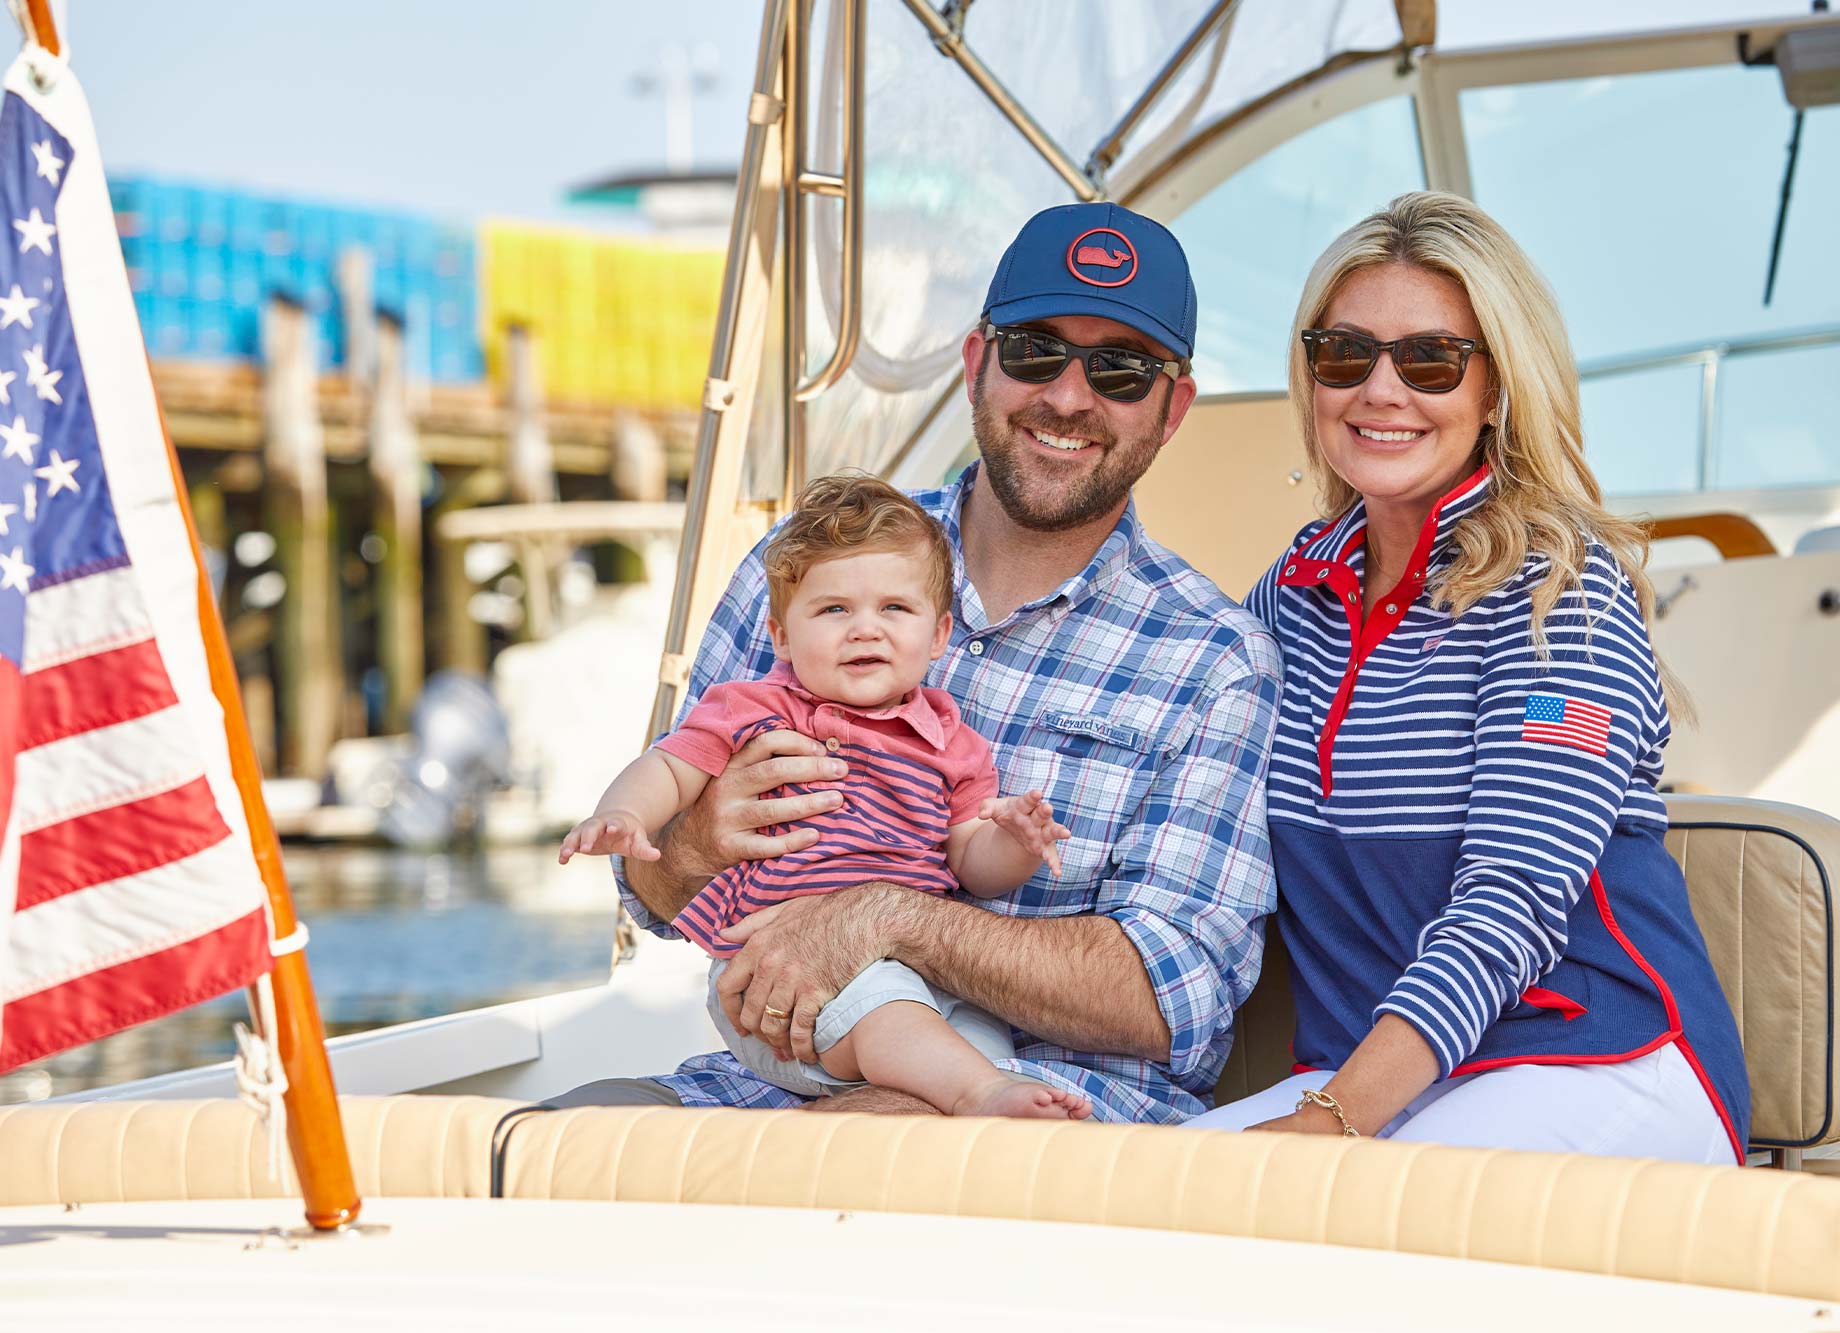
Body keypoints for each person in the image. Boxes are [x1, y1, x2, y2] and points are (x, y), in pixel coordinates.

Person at [547, 202, 1282, 1123]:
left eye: (1121, 369)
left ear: (1172, 409)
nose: (1066, 395)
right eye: (1034, 351)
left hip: (1061, 1109)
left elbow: (1174, 999)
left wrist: (886, 918)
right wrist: (696, 839)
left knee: (809, 1170)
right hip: (769, 1071)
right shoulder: (804, 564)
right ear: (978, 364)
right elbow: (652, 893)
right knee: (526, 1151)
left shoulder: (1217, 659)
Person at [1189, 192, 1750, 1163]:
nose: (1378, 389)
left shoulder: (1557, 595)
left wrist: (1331, 1122)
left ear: (1494, 387)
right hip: (1372, 1086)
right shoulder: (1290, 597)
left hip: (1596, 1059)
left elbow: (1512, 895)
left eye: (1427, 360)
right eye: (1342, 353)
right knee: (1110, 1202)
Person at [558, 473, 1088, 1120]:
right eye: (834, 610)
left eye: (895, 609)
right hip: (776, 991)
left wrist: (1017, 842)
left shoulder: (950, 741)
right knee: (898, 1014)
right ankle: (976, 1094)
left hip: (910, 975)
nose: (865, 629)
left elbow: (970, 860)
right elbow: (669, 767)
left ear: (940, 634)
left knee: (978, 1035)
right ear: (781, 637)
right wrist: (624, 812)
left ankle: (975, 1089)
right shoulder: (755, 709)